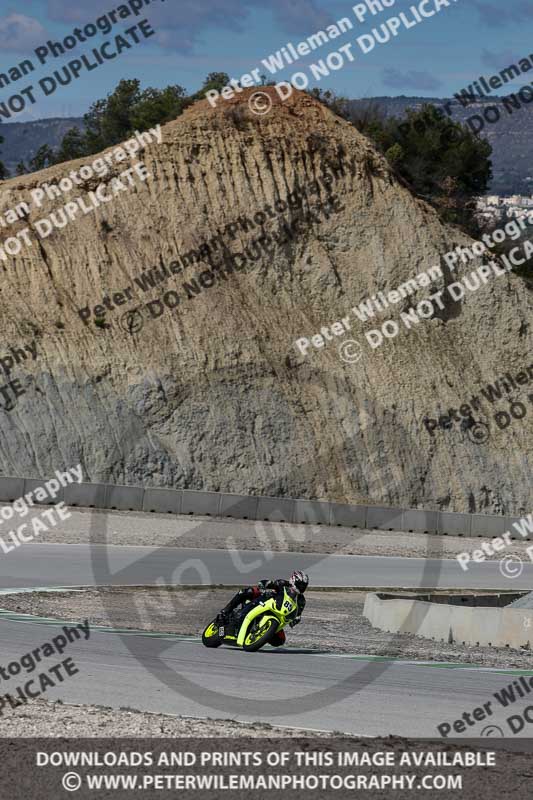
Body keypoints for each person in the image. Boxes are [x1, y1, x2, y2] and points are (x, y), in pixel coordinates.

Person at [216, 570, 309, 646]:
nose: (302, 588)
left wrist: (296, 619)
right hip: (264, 601)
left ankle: (259, 636)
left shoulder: (301, 600)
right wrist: (264, 584)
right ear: (293, 580)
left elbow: (298, 613)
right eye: (300, 585)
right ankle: (226, 611)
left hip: (279, 615)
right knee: (247, 591)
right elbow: (271, 583)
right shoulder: (283, 583)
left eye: (303, 586)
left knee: (280, 640)